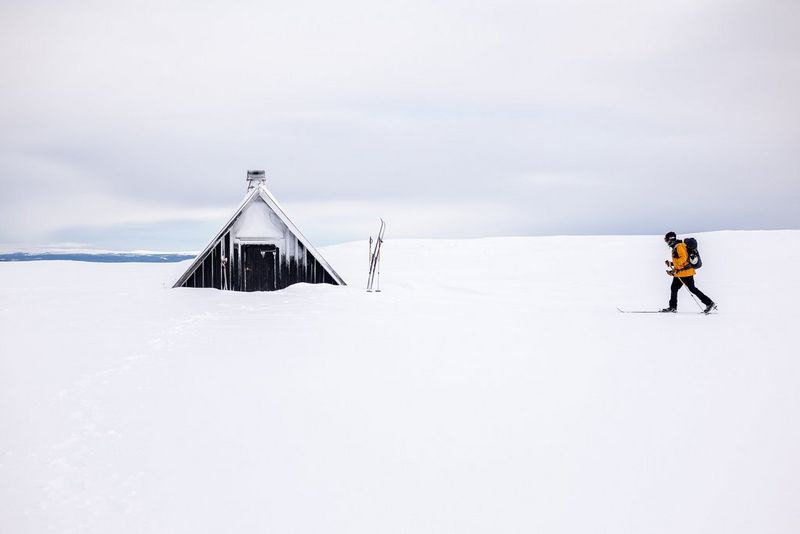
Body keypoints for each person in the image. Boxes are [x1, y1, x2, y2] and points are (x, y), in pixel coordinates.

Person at [661, 231, 716, 313]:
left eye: (666, 240)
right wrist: (671, 264)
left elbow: (683, 258)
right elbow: (680, 260)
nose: (666, 242)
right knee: (674, 288)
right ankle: (672, 307)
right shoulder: (676, 246)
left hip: (686, 273)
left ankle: (709, 303)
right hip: (681, 273)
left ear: (670, 239)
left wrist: (674, 268)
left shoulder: (679, 246)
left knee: (692, 289)